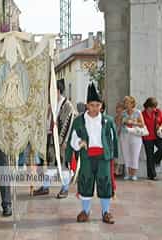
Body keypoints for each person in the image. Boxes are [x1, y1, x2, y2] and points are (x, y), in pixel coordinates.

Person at [65, 82, 118, 224]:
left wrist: (114, 157)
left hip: (103, 158)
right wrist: (79, 143)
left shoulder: (108, 121)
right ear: (87, 105)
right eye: (92, 105)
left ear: (101, 106)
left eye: (98, 105)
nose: (95, 108)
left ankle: (106, 212)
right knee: (86, 182)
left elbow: (113, 140)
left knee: (105, 183)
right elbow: (72, 140)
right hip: (87, 158)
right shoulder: (79, 121)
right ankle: (85, 211)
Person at [33, 78, 77, 199]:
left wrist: (66, 141)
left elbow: (70, 124)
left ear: (58, 90)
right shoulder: (51, 104)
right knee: (51, 165)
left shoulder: (68, 106)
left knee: (63, 165)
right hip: (51, 140)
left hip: (62, 141)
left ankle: (65, 188)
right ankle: (45, 187)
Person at [142, 97, 162, 180]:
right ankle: (152, 175)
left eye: (155, 107)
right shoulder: (142, 114)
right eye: (152, 107)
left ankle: (156, 161)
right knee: (149, 155)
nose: (154, 109)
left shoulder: (158, 112)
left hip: (158, 136)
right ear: (147, 106)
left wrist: (160, 127)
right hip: (147, 137)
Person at [120, 96, 145, 181]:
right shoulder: (123, 113)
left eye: (127, 102)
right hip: (124, 134)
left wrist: (133, 122)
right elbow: (119, 123)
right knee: (126, 154)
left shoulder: (138, 112)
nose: (126, 104)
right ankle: (127, 173)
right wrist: (123, 121)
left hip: (135, 135)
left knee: (135, 154)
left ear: (132, 103)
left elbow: (142, 124)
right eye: (125, 103)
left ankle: (134, 174)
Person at [114, 102, 125, 176]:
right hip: (117, 135)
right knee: (118, 152)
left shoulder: (123, 117)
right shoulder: (116, 117)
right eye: (117, 108)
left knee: (121, 152)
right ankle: (117, 168)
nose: (118, 109)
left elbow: (121, 126)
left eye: (119, 108)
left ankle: (119, 168)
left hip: (122, 135)